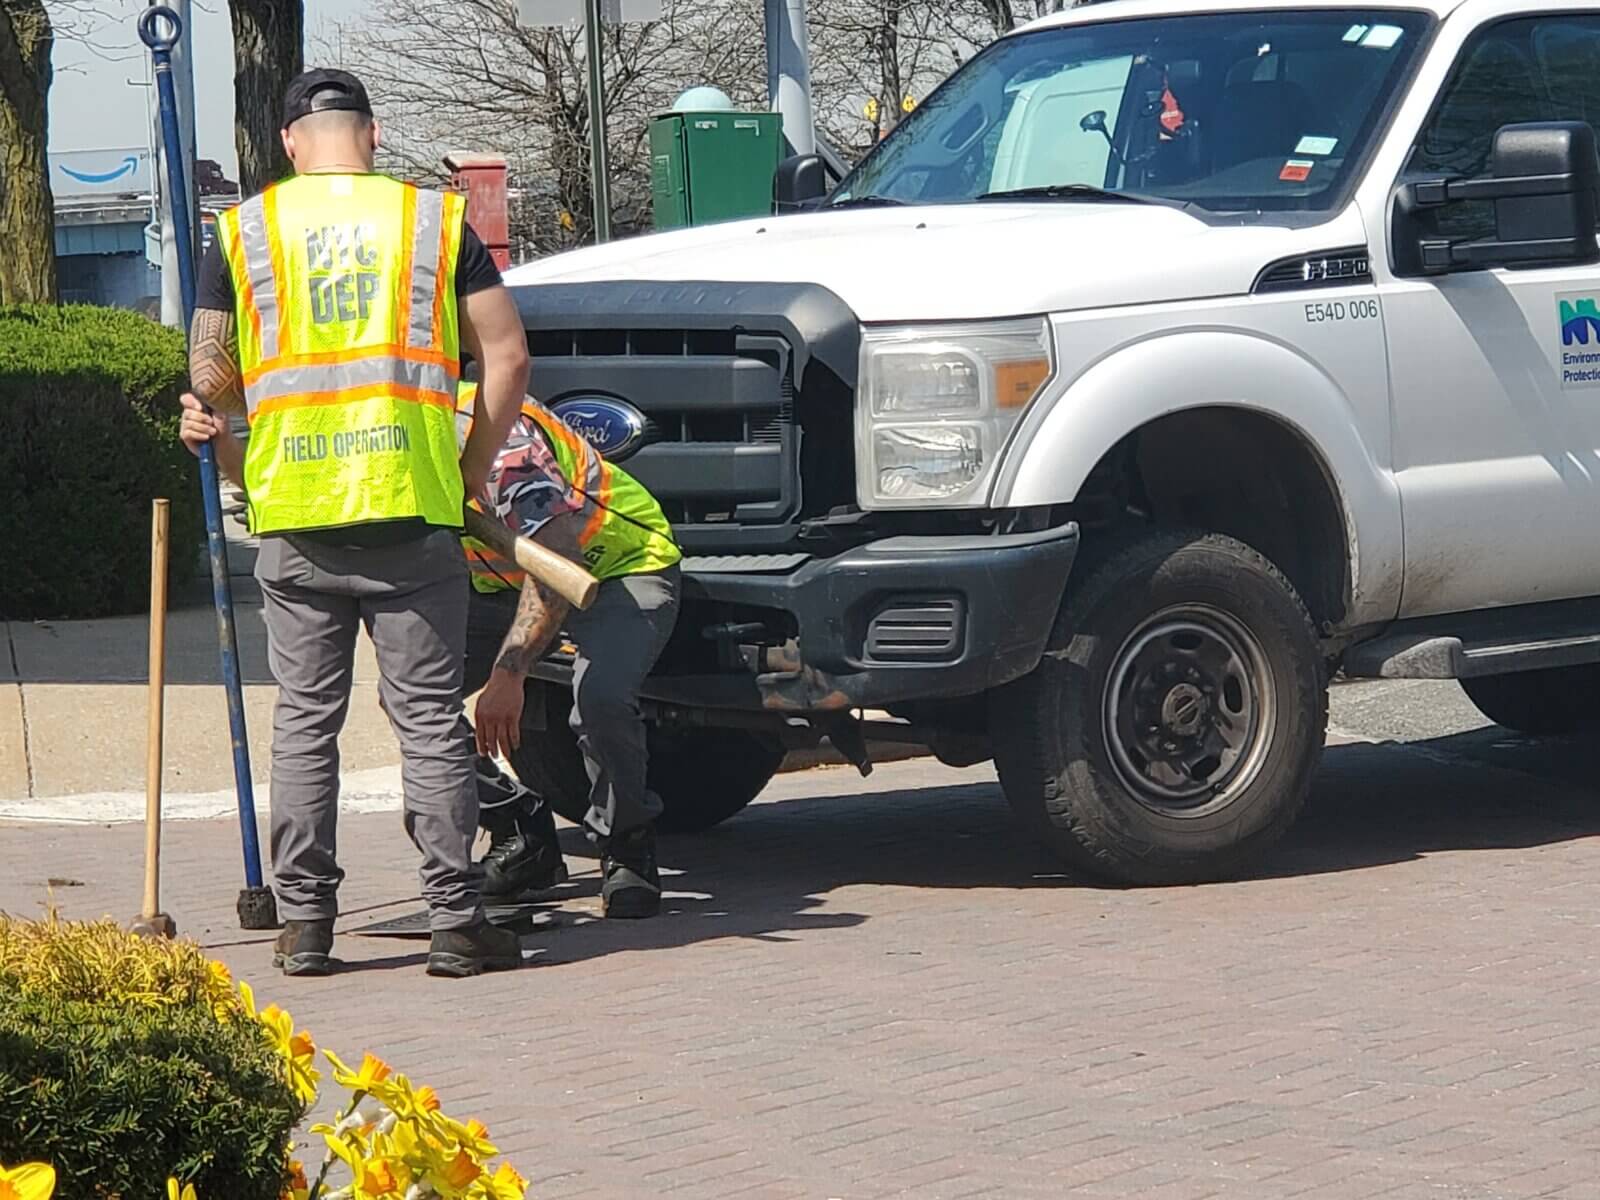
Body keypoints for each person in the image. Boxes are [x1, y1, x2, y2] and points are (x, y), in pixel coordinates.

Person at [176, 68, 530, 978]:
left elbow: (210, 377)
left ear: (290, 143)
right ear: (371, 136)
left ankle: (304, 925)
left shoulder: (243, 231)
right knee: (429, 722)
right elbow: (507, 355)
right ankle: (456, 921)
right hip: (410, 509)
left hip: (296, 519)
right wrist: (470, 468)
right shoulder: (434, 222)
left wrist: (211, 420)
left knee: (305, 723)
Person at [453, 380, 682, 919]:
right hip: (503, 584)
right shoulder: (389, 436)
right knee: (413, 696)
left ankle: (627, 845)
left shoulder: (495, 434)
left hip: (619, 567)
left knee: (600, 698)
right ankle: (519, 828)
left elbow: (558, 568)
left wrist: (509, 674)